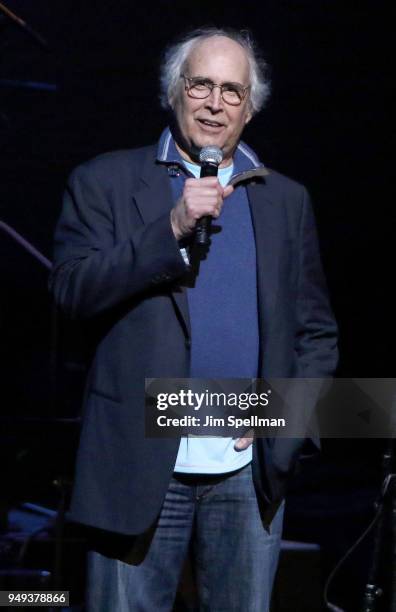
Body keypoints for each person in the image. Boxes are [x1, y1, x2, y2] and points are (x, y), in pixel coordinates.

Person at [50, 27, 338, 612]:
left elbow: (316, 332)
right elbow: (72, 292)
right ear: (173, 91)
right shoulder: (104, 181)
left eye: (232, 91)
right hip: (136, 461)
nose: (215, 103)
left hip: (245, 469)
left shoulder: (286, 199)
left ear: (250, 108)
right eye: (201, 84)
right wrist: (172, 230)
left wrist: (284, 421)